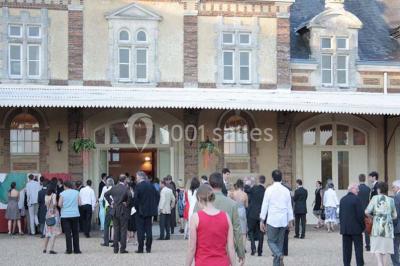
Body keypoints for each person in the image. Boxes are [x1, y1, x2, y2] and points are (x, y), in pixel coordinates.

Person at [194, 172, 245, 265]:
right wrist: (241, 253)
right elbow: (237, 231)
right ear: (222, 184)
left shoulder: (200, 203)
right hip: (224, 252)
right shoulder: (232, 204)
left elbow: (193, 231)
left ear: (209, 184)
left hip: (203, 253)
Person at [185, 184, 236, 266]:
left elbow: (192, 248)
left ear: (199, 199)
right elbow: (231, 248)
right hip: (222, 262)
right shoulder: (226, 217)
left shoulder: (195, 218)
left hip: (203, 262)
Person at [260, 170, 294, 266]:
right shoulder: (286, 190)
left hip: (272, 220)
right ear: (281, 178)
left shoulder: (269, 190)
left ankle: (279, 255)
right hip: (283, 220)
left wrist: (262, 220)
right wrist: (290, 220)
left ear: (272, 178)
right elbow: (289, 207)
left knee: (270, 241)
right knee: (279, 244)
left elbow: (264, 206)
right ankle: (279, 256)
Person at [366, 181, 397, 266]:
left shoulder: (375, 198)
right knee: (386, 249)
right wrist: (387, 216)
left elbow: (367, 211)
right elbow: (395, 216)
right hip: (388, 229)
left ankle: (380, 263)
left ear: (379, 189)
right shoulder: (391, 200)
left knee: (377, 248)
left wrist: (374, 217)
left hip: (377, 228)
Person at [339, 184, 365, 266]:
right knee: (358, 250)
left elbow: (340, 215)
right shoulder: (357, 199)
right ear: (352, 189)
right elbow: (360, 215)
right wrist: (363, 226)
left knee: (346, 250)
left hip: (345, 229)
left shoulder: (342, 199)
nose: (358, 190)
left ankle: (346, 264)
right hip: (356, 229)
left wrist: (342, 226)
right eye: (357, 189)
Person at [105, 175, 131, 254]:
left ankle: (115, 249)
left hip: (115, 210)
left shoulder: (114, 187)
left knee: (116, 230)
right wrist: (127, 203)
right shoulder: (126, 188)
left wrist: (111, 202)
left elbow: (106, 194)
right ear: (125, 180)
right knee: (123, 230)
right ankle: (122, 249)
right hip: (123, 210)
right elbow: (130, 196)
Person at [133, 171, 159, 253]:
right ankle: (148, 248)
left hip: (140, 212)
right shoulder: (151, 186)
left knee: (140, 230)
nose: (136, 179)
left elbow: (135, 200)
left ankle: (140, 249)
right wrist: (154, 206)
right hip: (150, 211)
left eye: (137, 177)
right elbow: (157, 196)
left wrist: (137, 208)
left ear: (140, 177)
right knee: (148, 230)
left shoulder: (138, 186)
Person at [59, 181, 81, 254]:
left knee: (68, 233)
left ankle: (69, 250)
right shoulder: (76, 192)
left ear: (65, 186)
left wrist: (64, 206)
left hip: (65, 215)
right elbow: (80, 203)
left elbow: (59, 204)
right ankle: (77, 250)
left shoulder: (62, 193)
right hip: (75, 214)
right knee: (75, 233)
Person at [247, 175, 266, 256]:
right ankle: (260, 251)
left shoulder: (254, 188)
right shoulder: (265, 190)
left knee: (250, 231)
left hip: (252, 213)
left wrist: (248, 183)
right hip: (261, 214)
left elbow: (247, 190)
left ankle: (253, 247)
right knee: (261, 232)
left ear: (258, 180)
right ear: (264, 181)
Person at [42, 183, 62, 254]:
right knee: (54, 232)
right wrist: (54, 207)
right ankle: (51, 249)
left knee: (48, 232)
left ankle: (44, 248)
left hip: (47, 214)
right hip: (54, 213)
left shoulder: (46, 196)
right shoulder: (54, 195)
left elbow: (45, 204)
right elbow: (54, 203)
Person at [229, 179, 248, 247]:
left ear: (237, 185)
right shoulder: (245, 194)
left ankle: (236, 245)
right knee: (243, 231)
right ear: (242, 185)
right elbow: (246, 205)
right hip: (242, 210)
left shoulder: (233, 193)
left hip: (235, 210)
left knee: (235, 229)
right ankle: (243, 247)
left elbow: (230, 203)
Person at [358, 173, 372, 251]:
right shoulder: (368, 188)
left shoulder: (357, 188)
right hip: (366, 210)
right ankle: (368, 245)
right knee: (367, 229)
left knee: (359, 228)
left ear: (359, 179)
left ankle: (359, 244)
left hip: (359, 210)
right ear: (365, 179)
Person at [100, 177, 114, 247]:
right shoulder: (115, 188)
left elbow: (102, 197)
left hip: (108, 207)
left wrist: (109, 202)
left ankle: (106, 242)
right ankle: (115, 241)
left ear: (107, 183)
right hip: (115, 208)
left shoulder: (105, 188)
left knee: (106, 225)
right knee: (115, 225)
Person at [391, 180, 400, 266]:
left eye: (393, 187)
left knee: (394, 247)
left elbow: (396, 214)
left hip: (397, 227)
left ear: (398, 187)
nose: (392, 189)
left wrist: (393, 225)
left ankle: (396, 264)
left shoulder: (397, 197)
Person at [128, 181, 137, 245]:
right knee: (135, 226)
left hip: (129, 210)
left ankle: (128, 238)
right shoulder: (136, 193)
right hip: (135, 210)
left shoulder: (128, 193)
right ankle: (136, 240)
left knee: (128, 225)